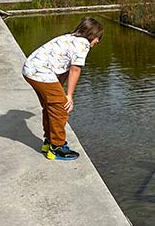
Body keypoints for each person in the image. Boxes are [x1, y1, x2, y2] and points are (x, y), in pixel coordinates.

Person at [22, 16, 103, 160]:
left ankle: (48, 141)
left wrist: (60, 89)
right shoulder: (83, 44)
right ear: (92, 35)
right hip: (40, 72)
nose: (97, 42)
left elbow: (64, 69)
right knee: (61, 108)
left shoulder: (69, 38)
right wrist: (69, 96)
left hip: (31, 69)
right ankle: (57, 148)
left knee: (50, 106)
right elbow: (75, 70)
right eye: (98, 38)